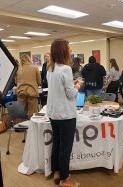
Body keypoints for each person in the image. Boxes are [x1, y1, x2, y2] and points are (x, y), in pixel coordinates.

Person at [46, 39, 80, 187]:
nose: (71, 51)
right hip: (66, 115)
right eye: (69, 48)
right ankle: (65, 179)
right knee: (65, 147)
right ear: (63, 51)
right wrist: (77, 86)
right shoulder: (65, 69)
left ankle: (57, 171)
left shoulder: (50, 69)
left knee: (57, 144)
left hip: (53, 113)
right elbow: (71, 95)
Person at [15, 54, 41, 118]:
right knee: (33, 112)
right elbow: (39, 81)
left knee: (21, 112)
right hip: (32, 91)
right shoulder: (35, 67)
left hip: (20, 92)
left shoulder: (18, 69)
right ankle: (32, 126)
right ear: (29, 59)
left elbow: (16, 82)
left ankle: (22, 125)